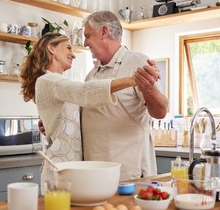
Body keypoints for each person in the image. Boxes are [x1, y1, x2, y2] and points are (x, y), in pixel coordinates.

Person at [19, 32, 156, 191]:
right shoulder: (48, 80)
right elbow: (84, 92)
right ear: (51, 48)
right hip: (59, 169)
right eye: (68, 48)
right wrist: (132, 80)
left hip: (73, 169)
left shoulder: (59, 83)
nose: (73, 55)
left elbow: (78, 106)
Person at [80, 11, 168, 181]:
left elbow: (161, 111)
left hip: (128, 174)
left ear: (104, 32)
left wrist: (149, 89)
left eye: (88, 36)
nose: (85, 43)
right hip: (94, 173)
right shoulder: (91, 75)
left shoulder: (137, 62)